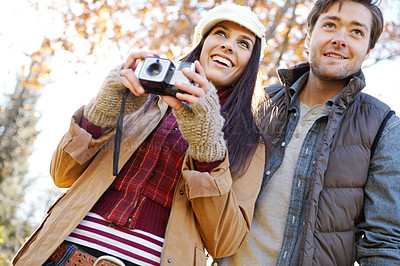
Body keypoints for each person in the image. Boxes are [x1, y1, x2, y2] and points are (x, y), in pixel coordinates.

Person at [12, 3, 268, 266]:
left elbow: (224, 241)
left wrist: (208, 147)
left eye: (244, 44)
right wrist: (102, 110)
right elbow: (62, 173)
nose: (227, 46)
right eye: (220, 34)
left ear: (251, 64)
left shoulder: (250, 140)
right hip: (64, 252)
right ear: (202, 43)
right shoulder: (143, 94)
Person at [216, 0, 400, 265]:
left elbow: (384, 244)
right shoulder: (257, 104)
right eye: (330, 25)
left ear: (368, 51)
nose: (340, 39)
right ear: (309, 37)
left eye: (356, 32)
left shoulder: (385, 127)